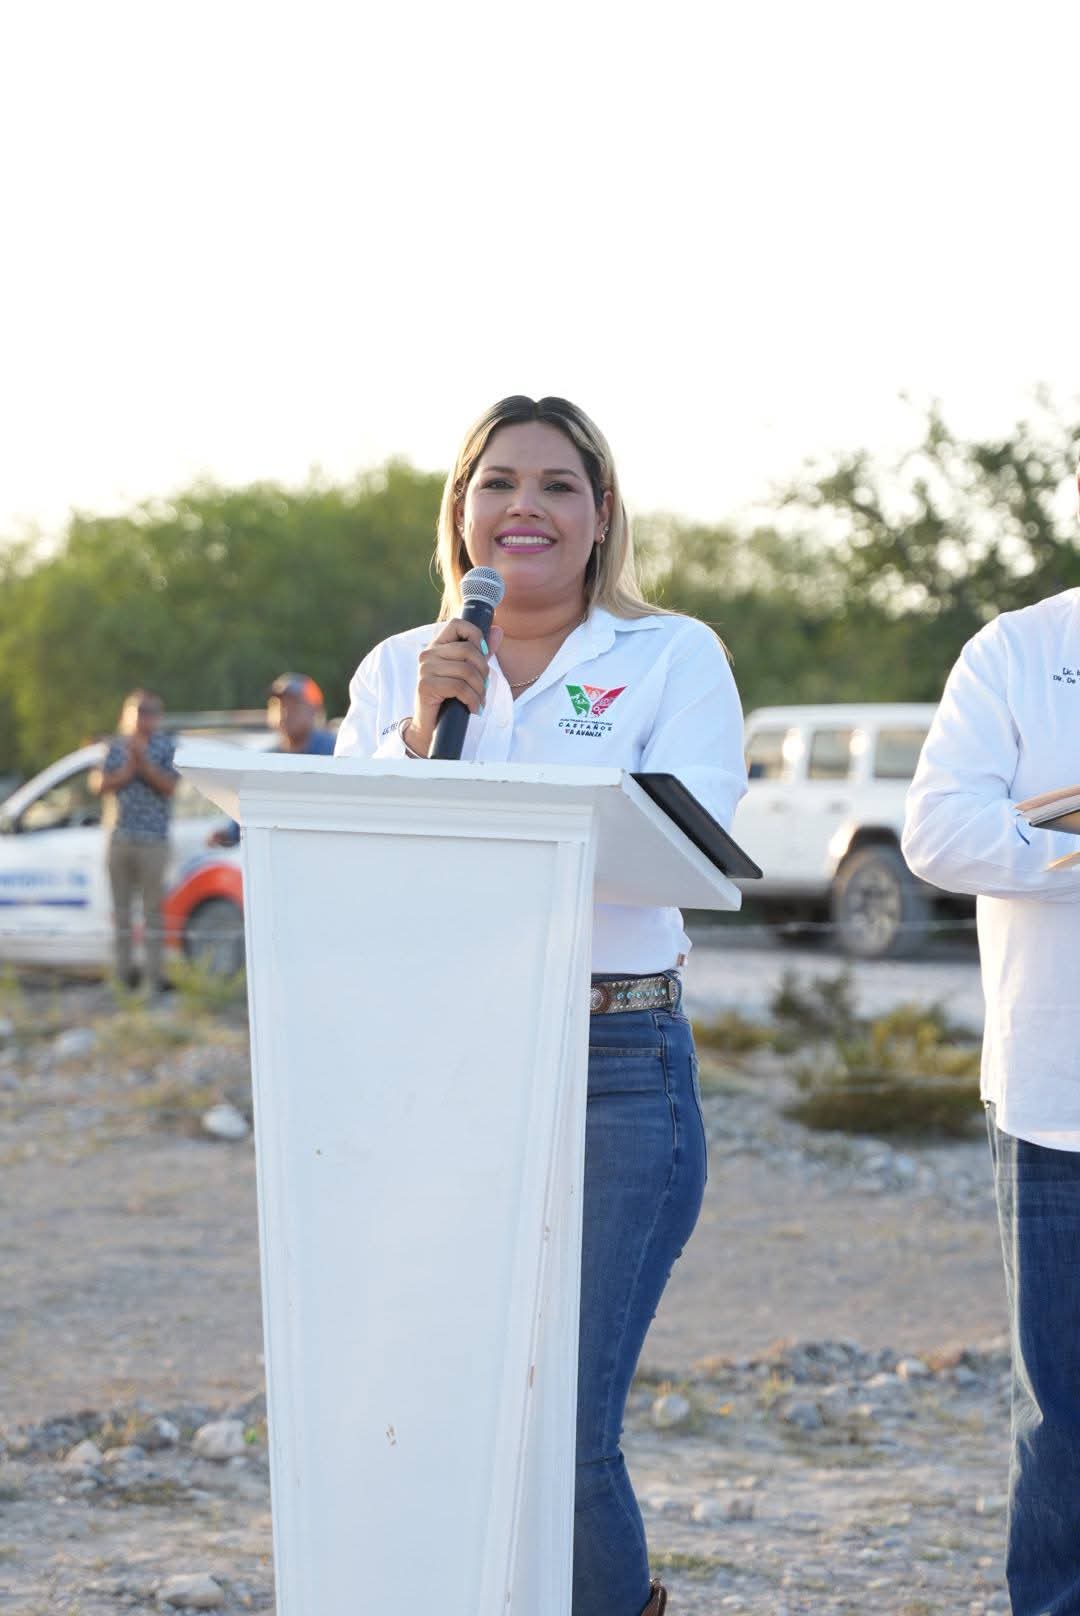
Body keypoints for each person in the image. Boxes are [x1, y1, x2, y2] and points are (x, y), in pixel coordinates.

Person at [333, 395, 747, 1616]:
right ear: (460, 511)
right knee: (454, 1410)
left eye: (559, 485)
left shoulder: (673, 656)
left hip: (614, 1058)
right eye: (499, 482)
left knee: (562, 1423)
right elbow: (353, 864)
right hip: (440, 1060)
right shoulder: (398, 672)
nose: (527, 506)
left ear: (602, 515)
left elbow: (694, 853)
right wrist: (420, 741)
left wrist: (489, 827)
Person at [902, 478, 1080, 1616]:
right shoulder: (1018, 652)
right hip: (1059, 1104)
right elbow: (938, 830)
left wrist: (1050, 823)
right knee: (1064, 1418)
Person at [96, 688, 179, 992]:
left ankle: (153, 979)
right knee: (121, 913)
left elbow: (170, 787)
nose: (144, 717)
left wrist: (143, 765)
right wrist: (127, 770)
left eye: (150, 711)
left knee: (152, 913)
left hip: (153, 841)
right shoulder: (115, 747)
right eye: (139, 710)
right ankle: (122, 976)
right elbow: (100, 784)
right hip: (119, 838)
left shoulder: (166, 746)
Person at [207, 673, 336, 848]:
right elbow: (250, 805)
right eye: (278, 704)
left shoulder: (335, 751)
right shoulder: (265, 758)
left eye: (294, 704)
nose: (285, 711)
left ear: (314, 709)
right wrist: (229, 834)